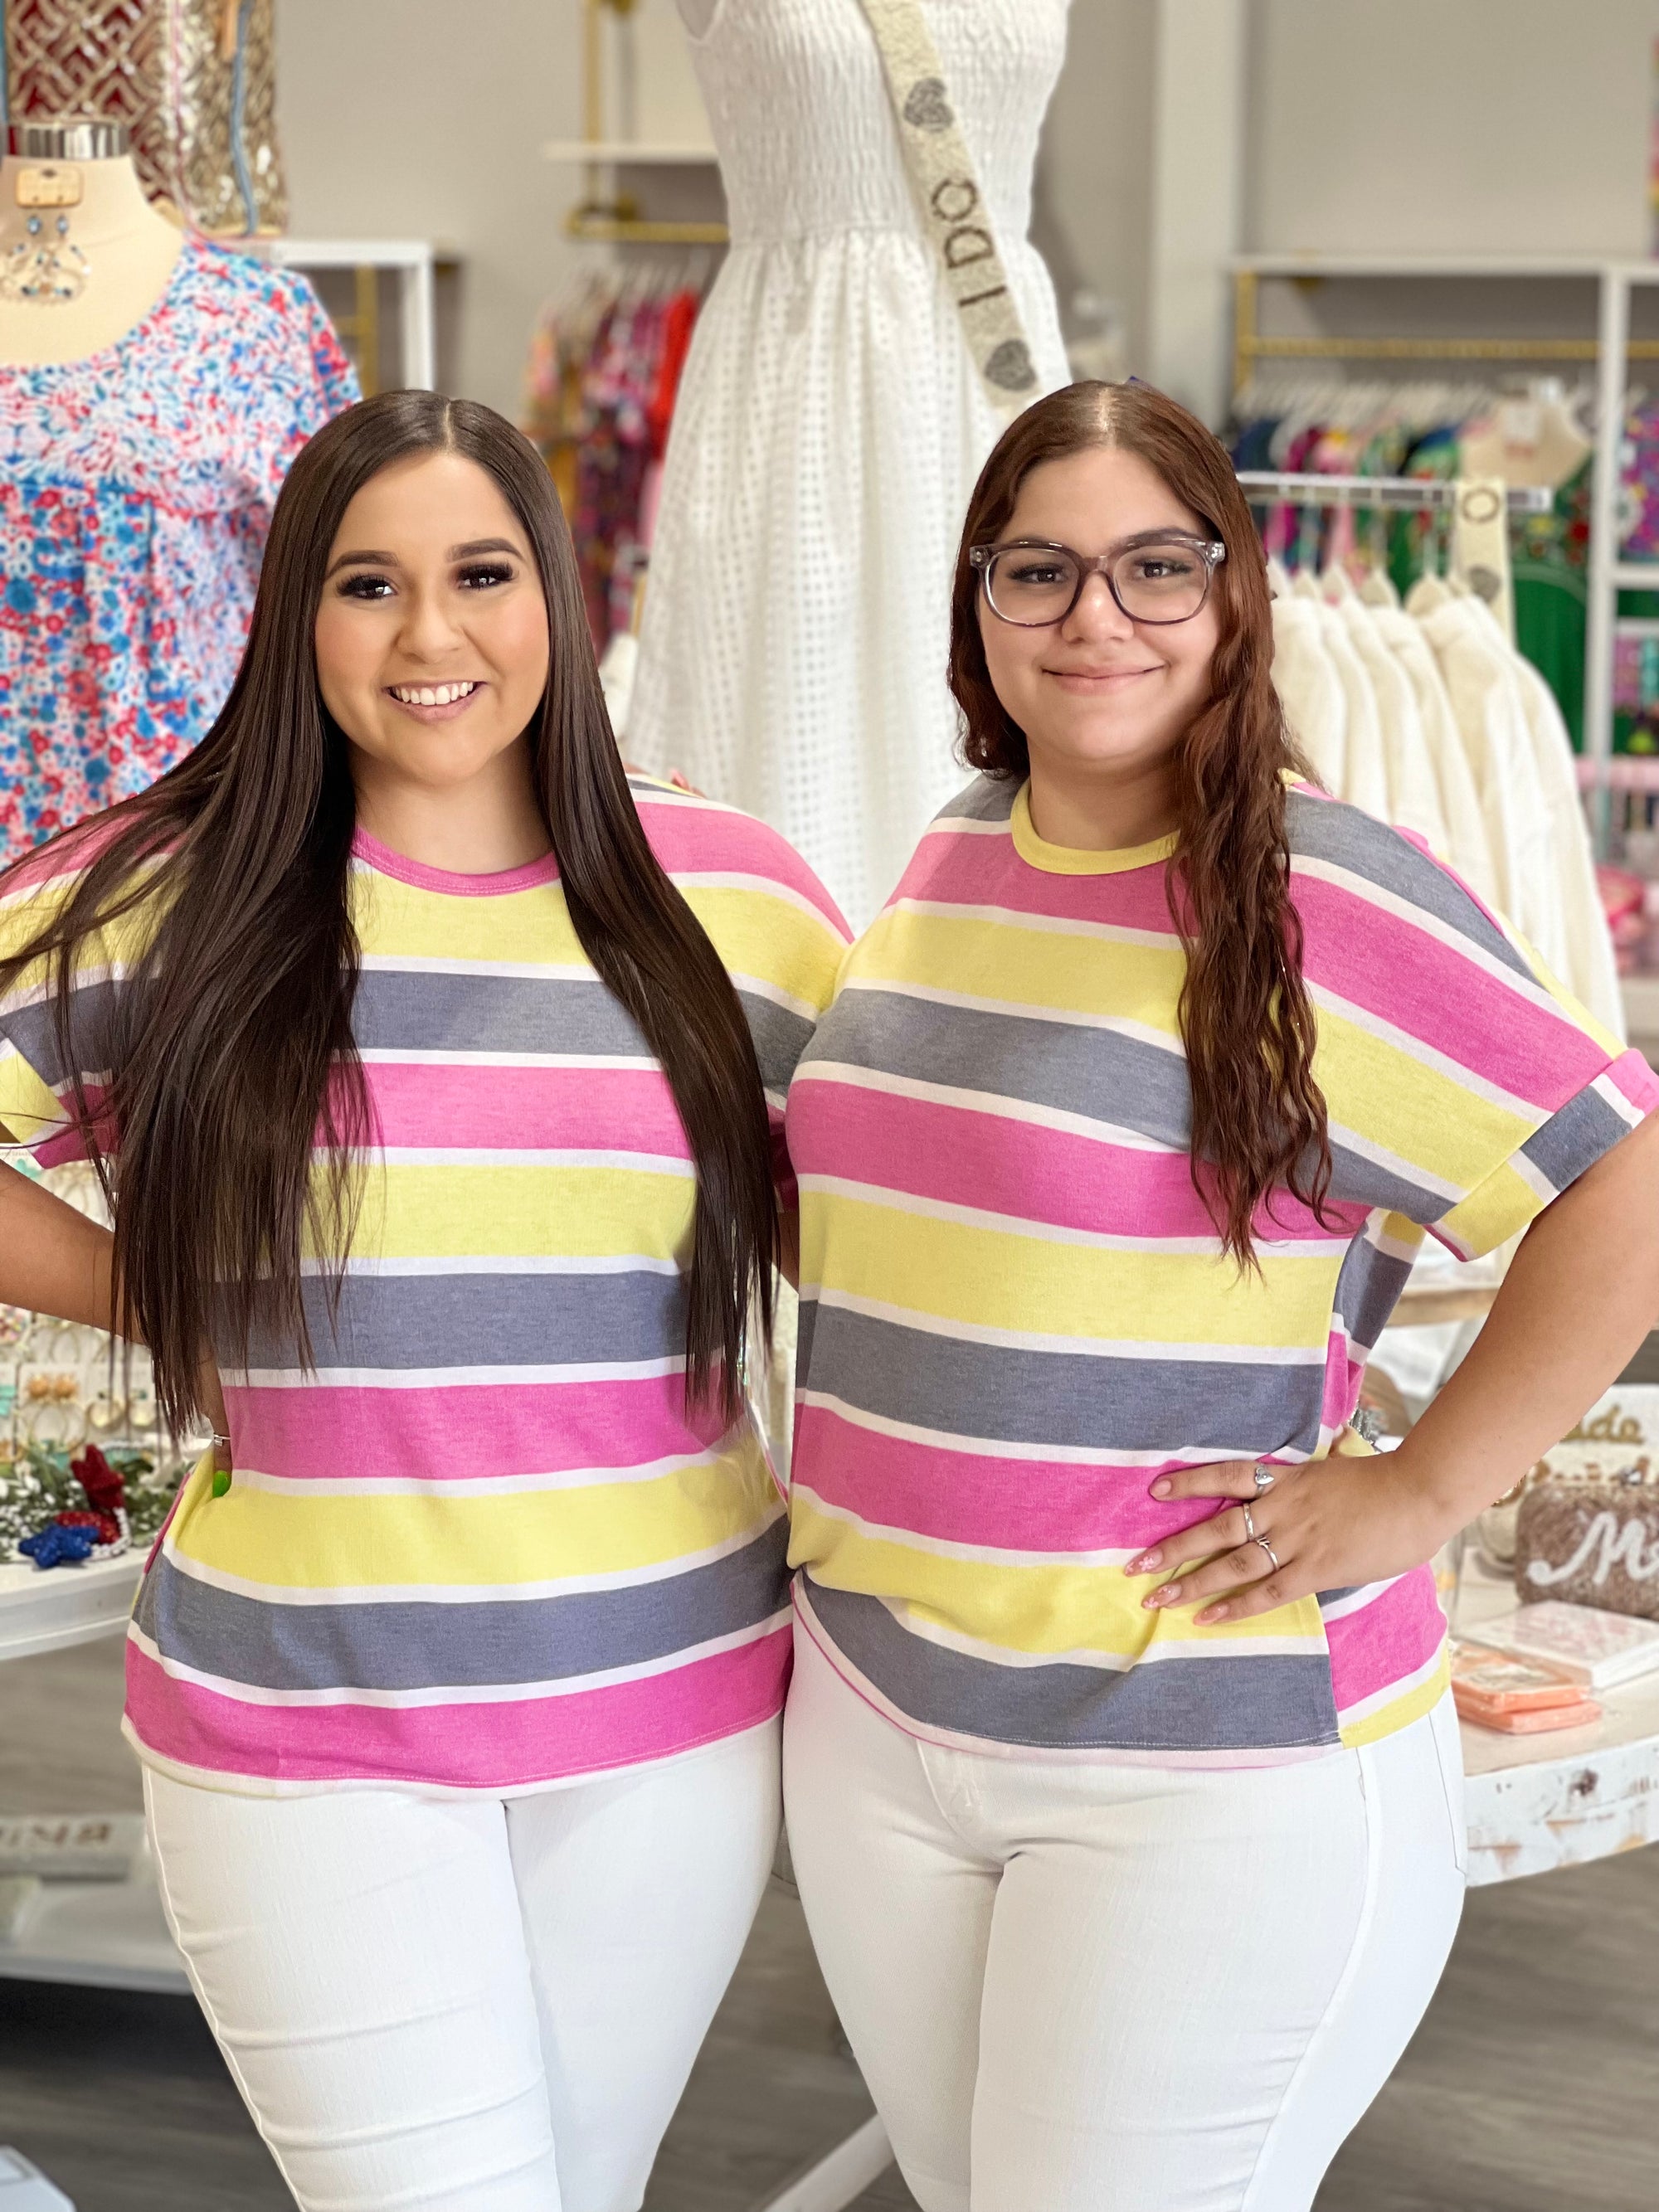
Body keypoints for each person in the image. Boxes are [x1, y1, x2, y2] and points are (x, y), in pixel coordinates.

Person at [779, 378, 1659, 2212]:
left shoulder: (1319, 888)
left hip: (1197, 1752)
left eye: (1152, 566)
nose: (1096, 614)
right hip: (886, 1711)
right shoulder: (957, 847)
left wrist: (1418, 1492)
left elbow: (1623, 1173)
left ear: (1232, 597)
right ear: (980, 609)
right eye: (1040, 571)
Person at [0, 391, 848, 2212]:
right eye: (369, 585)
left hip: (676, 1718)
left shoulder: (738, 898)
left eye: (480, 573)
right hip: (309, 1723)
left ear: (555, 587)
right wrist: (152, 1291)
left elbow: (874, 1235)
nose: (432, 634)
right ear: (295, 614)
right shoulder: (172, 889)